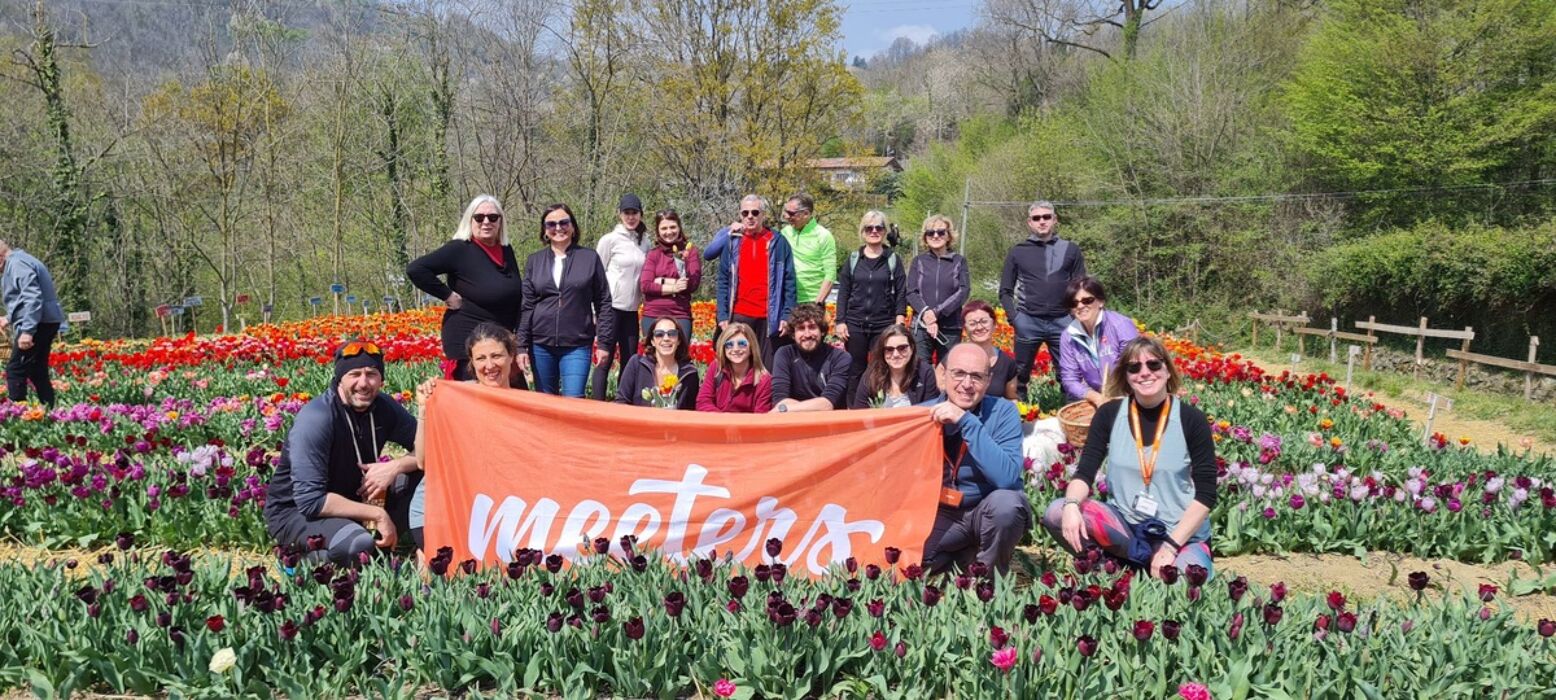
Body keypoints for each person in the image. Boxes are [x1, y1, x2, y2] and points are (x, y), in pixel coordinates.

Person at [1041, 336, 1217, 579]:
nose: (1144, 372)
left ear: (1167, 370)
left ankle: (1151, 562)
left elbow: (1206, 495)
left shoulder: (1191, 420)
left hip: (1179, 532)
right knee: (1056, 512)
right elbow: (1085, 473)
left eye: (1153, 365)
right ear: (1126, 376)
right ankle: (1110, 568)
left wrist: (1170, 546)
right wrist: (1071, 506)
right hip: (1127, 526)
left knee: (1185, 580)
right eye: (1134, 367)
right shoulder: (1109, 414)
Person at [264, 341, 422, 564]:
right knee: (359, 546)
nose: (363, 383)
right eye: (354, 374)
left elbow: (429, 446)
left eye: (372, 374)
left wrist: (396, 466)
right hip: (298, 513)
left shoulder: (383, 407)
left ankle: (384, 545)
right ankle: (305, 560)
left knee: (426, 473)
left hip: (355, 500)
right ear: (340, 378)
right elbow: (311, 501)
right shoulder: (317, 419)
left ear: (381, 379)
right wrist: (378, 514)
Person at [409, 323, 524, 549]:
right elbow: (423, 462)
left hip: (497, 509)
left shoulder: (524, 405)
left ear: (512, 356)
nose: (489, 365)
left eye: (497, 356)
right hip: (441, 510)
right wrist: (424, 410)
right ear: (472, 363)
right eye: (480, 358)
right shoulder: (455, 400)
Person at [920, 343, 1028, 574]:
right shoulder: (922, 415)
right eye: (959, 373)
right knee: (911, 560)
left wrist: (967, 422)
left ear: (988, 381)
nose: (967, 384)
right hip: (940, 513)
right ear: (943, 374)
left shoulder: (1003, 412)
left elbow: (1008, 478)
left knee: (1007, 505)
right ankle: (962, 556)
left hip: (985, 509)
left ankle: (988, 579)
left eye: (977, 377)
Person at [407, 195, 525, 384]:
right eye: (479, 217)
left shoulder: (506, 250)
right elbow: (416, 269)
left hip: (500, 340)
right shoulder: (459, 249)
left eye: (493, 217)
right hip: (468, 339)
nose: (486, 222)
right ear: (470, 220)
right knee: (477, 402)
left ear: (501, 221)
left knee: (512, 398)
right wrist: (447, 295)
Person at [518, 204, 613, 397]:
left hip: (576, 344)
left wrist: (603, 343)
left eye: (564, 222)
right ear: (545, 230)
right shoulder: (534, 261)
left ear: (573, 226)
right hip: (541, 343)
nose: (558, 228)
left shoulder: (589, 258)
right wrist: (521, 346)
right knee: (545, 402)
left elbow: (603, 302)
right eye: (551, 224)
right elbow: (527, 305)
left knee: (574, 400)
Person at [999, 200, 1087, 398]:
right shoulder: (1018, 251)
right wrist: (1015, 319)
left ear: (1054, 220)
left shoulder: (1071, 250)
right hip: (1028, 321)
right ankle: (1018, 420)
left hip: (1062, 321)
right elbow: (1005, 290)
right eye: (1037, 218)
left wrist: (1076, 318)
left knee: (1069, 375)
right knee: (1019, 377)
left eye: (1046, 217)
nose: (1042, 222)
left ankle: (1071, 422)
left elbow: (1081, 288)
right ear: (1029, 223)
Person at [714, 194, 797, 367]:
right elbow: (723, 280)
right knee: (739, 367)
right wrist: (722, 314)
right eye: (745, 213)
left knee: (768, 370)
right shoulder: (732, 242)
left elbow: (789, 282)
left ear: (763, 215)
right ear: (740, 215)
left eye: (755, 212)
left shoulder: (778, 242)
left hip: (769, 318)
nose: (750, 216)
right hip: (739, 314)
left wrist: (787, 314)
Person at [835, 210, 907, 402]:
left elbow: (901, 292)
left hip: (883, 323)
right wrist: (840, 320)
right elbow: (844, 292)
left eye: (879, 228)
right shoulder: (853, 260)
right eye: (869, 228)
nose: (874, 231)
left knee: (880, 369)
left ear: (884, 232)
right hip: (855, 323)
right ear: (863, 231)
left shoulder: (892, 260)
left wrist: (900, 320)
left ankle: (878, 407)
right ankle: (853, 410)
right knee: (854, 370)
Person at [590, 194, 651, 401]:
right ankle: (598, 405)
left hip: (632, 309)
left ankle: (623, 403)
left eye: (635, 213)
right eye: (627, 213)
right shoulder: (609, 240)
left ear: (641, 214)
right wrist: (594, 311)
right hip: (610, 308)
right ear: (620, 214)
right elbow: (596, 276)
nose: (631, 217)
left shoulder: (644, 242)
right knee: (604, 358)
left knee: (630, 359)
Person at [0, 240, 66, 407]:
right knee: (37, 370)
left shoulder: (17, 264)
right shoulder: (21, 260)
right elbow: (23, 298)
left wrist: (28, 331)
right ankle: (51, 410)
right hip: (46, 320)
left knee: (15, 370)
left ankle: (18, 415)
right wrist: (8, 318)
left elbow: (33, 297)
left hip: (37, 323)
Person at [1058, 276, 1139, 406]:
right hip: (1097, 396)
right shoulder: (1068, 336)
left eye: (1087, 300)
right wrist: (1095, 397)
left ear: (1101, 302)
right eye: (1074, 303)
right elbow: (1069, 379)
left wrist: (1114, 398)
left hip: (1128, 392)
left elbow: (1134, 365)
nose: (1080, 306)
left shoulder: (1120, 325)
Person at [906, 214, 970, 368]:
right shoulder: (918, 262)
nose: (936, 236)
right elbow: (911, 292)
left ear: (948, 236)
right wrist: (927, 313)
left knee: (948, 370)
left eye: (941, 232)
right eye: (930, 232)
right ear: (925, 237)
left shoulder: (958, 261)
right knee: (920, 370)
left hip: (950, 326)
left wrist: (936, 313)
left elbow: (963, 290)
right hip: (921, 325)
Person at [770, 302, 850, 412]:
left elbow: (827, 404)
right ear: (793, 334)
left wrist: (786, 408)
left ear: (822, 331)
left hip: (830, 424)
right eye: (801, 328)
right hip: (793, 422)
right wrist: (814, 406)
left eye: (812, 327)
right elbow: (779, 400)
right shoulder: (784, 354)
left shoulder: (840, 358)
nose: (807, 334)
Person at [638, 209, 700, 341]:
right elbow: (645, 285)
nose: (669, 232)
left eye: (672, 227)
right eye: (664, 228)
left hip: (680, 313)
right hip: (653, 313)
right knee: (652, 359)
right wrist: (674, 287)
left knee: (680, 358)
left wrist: (660, 281)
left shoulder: (689, 251)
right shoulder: (653, 254)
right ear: (658, 231)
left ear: (679, 227)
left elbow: (692, 284)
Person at [615, 317, 700, 409]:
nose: (666, 338)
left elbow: (691, 411)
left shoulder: (689, 373)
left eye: (672, 334)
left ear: (679, 340)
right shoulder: (637, 364)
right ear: (652, 341)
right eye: (659, 334)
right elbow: (621, 402)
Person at [850, 324, 938, 409]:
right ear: (882, 352)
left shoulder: (925, 372)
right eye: (889, 349)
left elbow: (930, 412)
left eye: (902, 348)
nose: (895, 354)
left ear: (912, 348)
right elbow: (860, 413)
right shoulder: (871, 375)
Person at [696, 322, 773, 413]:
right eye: (729, 344)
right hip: (717, 425)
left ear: (752, 347)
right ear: (723, 348)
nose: (735, 349)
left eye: (741, 343)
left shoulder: (763, 380)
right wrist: (723, 420)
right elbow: (703, 402)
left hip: (747, 426)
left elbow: (761, 416)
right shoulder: (717, 368)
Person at [778, 193, 837, 305]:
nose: (786, 216)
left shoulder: (823, 235)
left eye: (791, 213)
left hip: (812, 301)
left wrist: (817, 304)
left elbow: (830, 274)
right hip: (787, 300)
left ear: (806, 213)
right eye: (785, 211)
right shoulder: (785, 233)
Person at [962, 300, 1018, 400]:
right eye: (972, 323)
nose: (979, 327)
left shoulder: (1007, 363)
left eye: (984, 322)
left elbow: (1012, 399)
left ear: (994, 324)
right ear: (965, 329)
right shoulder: (954, 358)